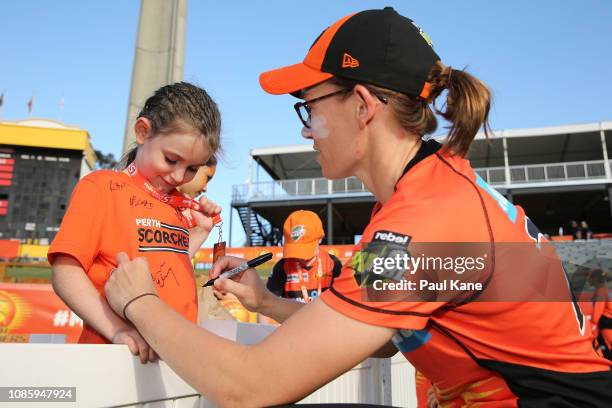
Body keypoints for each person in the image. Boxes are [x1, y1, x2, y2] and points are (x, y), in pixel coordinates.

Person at [104, 8, 612, 407]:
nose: (305, 129)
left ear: (362, 105)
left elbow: (249, 387)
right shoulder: (420, 195)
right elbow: (384, 337)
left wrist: (139, 302)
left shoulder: (421, 223)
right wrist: (266, 303)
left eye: (310, 106)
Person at [49, 82, 222, 363]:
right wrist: (117, 330)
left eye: (192, 168)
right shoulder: (101, 187)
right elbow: (64, 272)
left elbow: (164, 268)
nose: (179, 177)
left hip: (173, 361)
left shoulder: (176, 205)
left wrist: (200, 231)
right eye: (171, 159)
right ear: (143, 132)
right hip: (113, 360)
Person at [265, 210, 342, 303]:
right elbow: (267, 302)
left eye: (305, 249)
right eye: (295, 249)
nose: (300, 257)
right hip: (294, 317)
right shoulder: (283, 266)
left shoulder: (332, 264)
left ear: (320, 239)